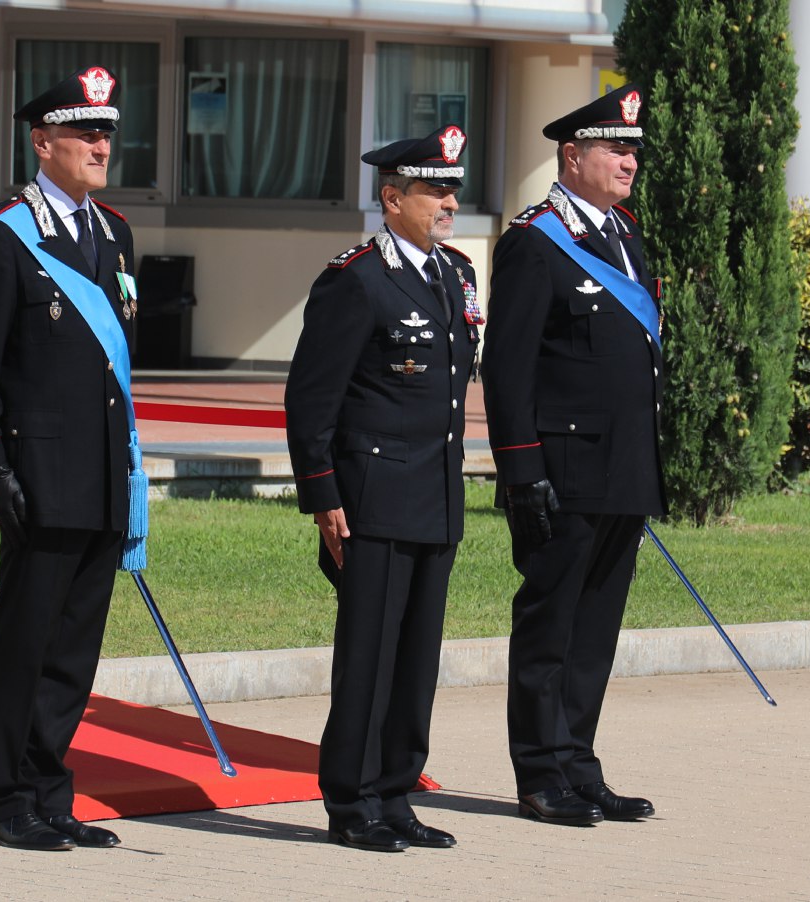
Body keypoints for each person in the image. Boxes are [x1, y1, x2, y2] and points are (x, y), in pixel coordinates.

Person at [0, 65, 140, 852]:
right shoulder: (4, 236)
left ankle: (47, 791)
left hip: (101, 474)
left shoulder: (113, 233)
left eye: (106, 131)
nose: (101, 144)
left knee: (72, 652)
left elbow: (119, 363)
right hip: (39, 475)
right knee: (24, 644)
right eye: (85, 132)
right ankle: (1, 801)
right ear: (43, 141)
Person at [285, 125, 481, 853]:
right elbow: (311, 399)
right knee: (367, 655)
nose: (448, 201)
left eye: (452, 188)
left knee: (415, 659)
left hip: (435, 491)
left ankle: (397, 790)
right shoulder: (356, 278)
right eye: (434, 189)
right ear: (392, 197)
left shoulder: (454, 273)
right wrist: (323, 495)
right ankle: (352, 799)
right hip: (371, 494)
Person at [481, 84, 666, 827]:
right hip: (560, 474)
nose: (629, 160)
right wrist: (522, 472)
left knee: (595, 632)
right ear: (573, 154)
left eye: (633, 149)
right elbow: (509, 368)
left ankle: (579, 764)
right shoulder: (534, 240)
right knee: (550, 627)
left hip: (623, 470)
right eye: (616, 148)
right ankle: (540, 772)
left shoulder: (625, 235)